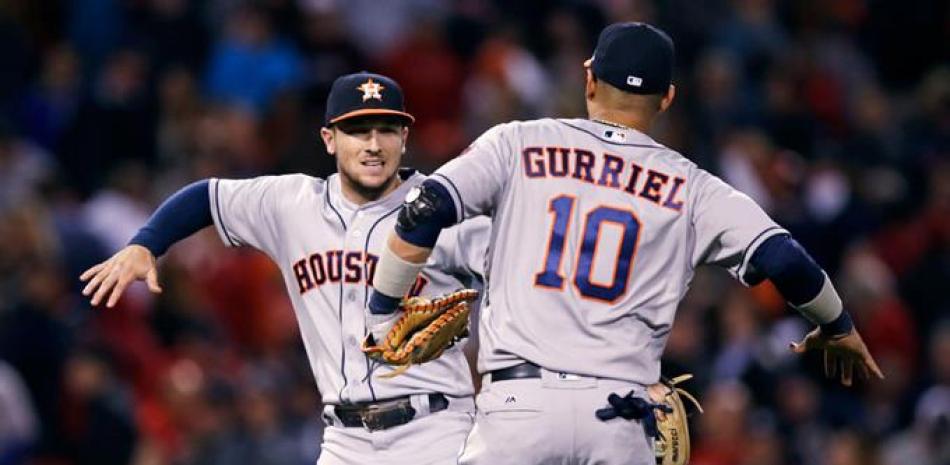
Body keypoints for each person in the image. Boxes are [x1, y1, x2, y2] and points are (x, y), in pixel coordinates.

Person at [366, 23, 884, 465]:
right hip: (617, 417)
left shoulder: (519, 142)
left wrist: (383, 311)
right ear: (667, 98)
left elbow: (424, 209)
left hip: (517, 412)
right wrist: (837, 325)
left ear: (589, 80)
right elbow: (784, 259)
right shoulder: (693, 186)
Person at [79, 72, 489, 465]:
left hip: (435, 429)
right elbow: (207, 197)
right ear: (329, 139)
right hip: (344, 439)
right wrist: (146, 243)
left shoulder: (444, 210)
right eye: (358, 130)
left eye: (386, 129)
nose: (373, 144)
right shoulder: (293, 204)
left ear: (404, 137)